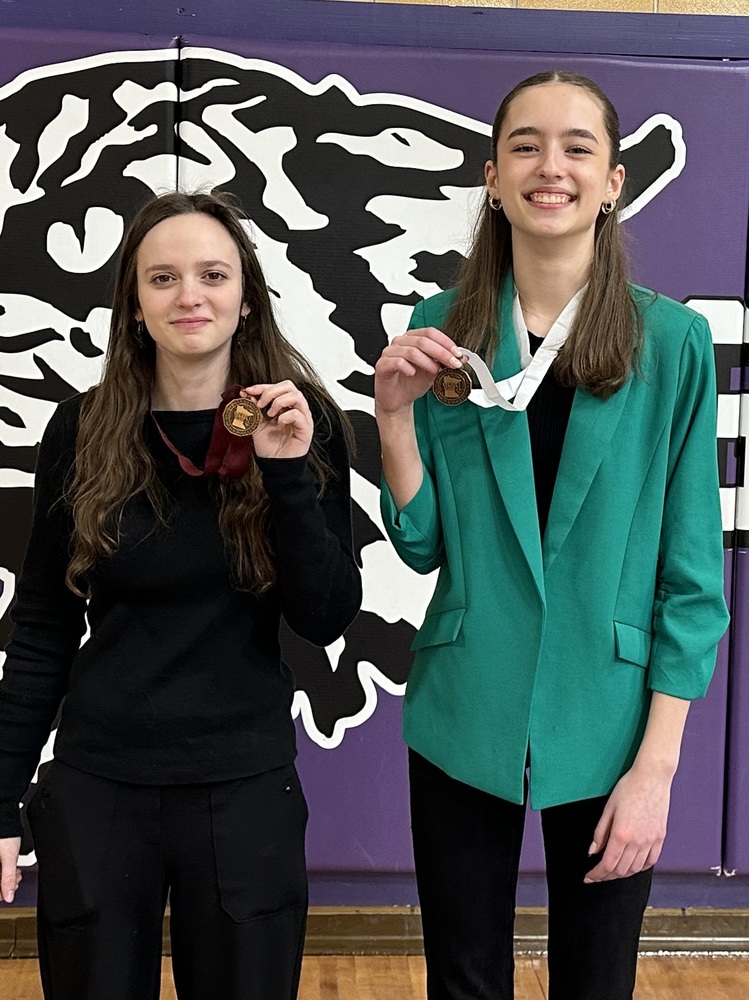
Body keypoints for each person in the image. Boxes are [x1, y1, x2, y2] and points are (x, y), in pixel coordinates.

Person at [374, 71, 729, 1000]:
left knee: (596, 979)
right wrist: (393, 420)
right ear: (492, 178)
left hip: (609, 719)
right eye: (526, 146)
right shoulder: (437, 330)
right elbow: (421, 546)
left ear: (612, 180)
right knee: (462, 979)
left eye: (576, 148)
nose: (550, 167)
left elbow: (691, 577)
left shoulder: (672, 342)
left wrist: (656, 769)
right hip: (464, 704)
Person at [0, 190, 361, 1000]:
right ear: (133, 302)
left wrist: (285, 474)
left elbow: (325, 614)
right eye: (162, 278)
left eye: (211, 275)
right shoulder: (81, 430)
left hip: (243, 790)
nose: (188, 295)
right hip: (98, 787)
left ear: (245, 298)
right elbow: (43, 630)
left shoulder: (306, 425)